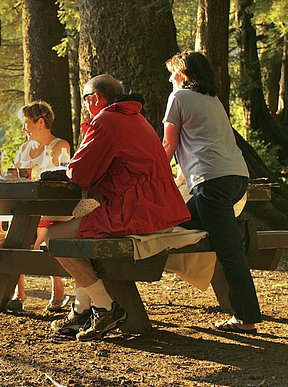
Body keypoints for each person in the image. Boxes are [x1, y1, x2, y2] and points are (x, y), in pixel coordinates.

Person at [45, 74, 191, 341]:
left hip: (136, 211)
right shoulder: (134, 118)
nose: (87, 106)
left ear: (97, 98)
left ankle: (104, 307)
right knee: (81, 229)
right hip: (159, 208)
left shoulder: (105, 120)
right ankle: (81, 309)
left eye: (87, 100)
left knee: (55, 237)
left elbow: (79, 174)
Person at [162, 51, 262, 334]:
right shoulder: (213, 100)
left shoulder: (179, 97)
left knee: (229, 252)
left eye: (173, 73)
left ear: (183, 73)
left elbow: (168, 146)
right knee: (174, 219)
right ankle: (230, 230)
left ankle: (246, 318)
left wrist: (150, 177)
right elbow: (193, 148)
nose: (170, 78)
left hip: (212, 183)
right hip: (235, 179)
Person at [0, 101, 72, 312]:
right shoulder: (24, 149)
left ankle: (57, 288)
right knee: (19, 231)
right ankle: (19, 292)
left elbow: (58, 181)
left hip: (52, 208)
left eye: (26, 123)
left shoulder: (60, 146)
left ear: (41, 122)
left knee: (32, 233)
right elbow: (14, 182)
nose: (23, 129)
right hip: (25, 208)